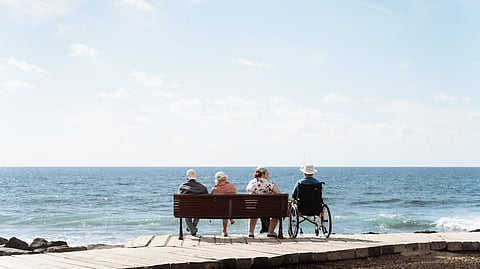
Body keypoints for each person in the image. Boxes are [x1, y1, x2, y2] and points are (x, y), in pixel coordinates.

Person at [246, 167, 281, 238]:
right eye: (267, 174)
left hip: (253, 208)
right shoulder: (268, 183)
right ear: (263, 174)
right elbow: (278, 194)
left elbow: (248, 191)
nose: (268, 175)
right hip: (267, 210)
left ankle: (251, 232)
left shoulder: (251, 182)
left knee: (253, 214)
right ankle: (270, 232)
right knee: (276, 214)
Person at [177, 169, 208, 236]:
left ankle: (192, 230)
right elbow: (207, 199)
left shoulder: (182, 187)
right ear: (195, 177)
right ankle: (193, 229)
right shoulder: (202, 187)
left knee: (187, 213)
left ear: (187, 177)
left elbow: (179, 199)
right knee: (198, 211)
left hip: (186, 210)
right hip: (198, 210)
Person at [211, 171, 237, 237]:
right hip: (233, 209)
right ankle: (229, 219)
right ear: (225, 178)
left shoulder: (214, 189)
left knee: (223, 207)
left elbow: (211, 200)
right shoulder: (232, 186)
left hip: (219, 210)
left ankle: (224, 231)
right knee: (227, 206)